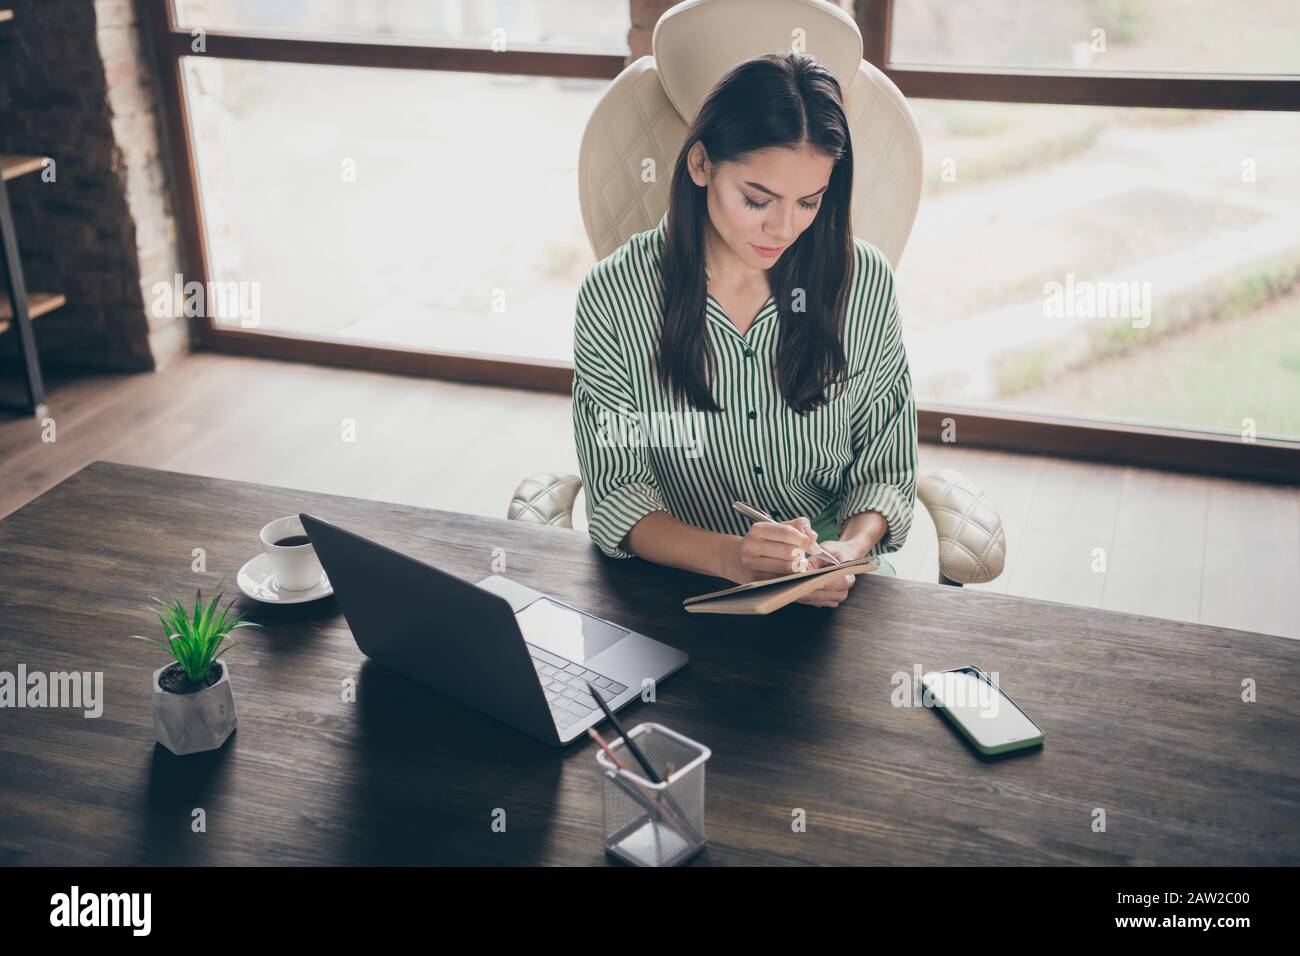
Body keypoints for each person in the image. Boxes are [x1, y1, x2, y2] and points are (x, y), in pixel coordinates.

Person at [572, 51, 917, 608]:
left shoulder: (863, 281)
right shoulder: (614, 297)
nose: (784, 229)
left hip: (838, 593)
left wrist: (847, 549)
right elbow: (619, 495)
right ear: (701, 165)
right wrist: (735, 557)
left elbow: (886, 466)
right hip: (681, 591)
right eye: (757, 200)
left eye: (809, 202)